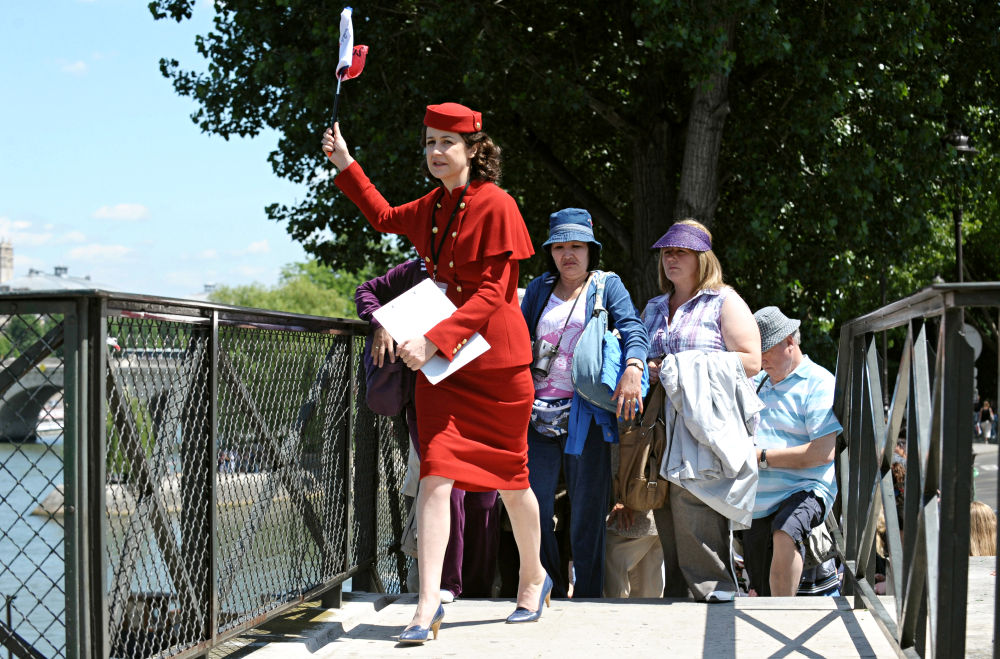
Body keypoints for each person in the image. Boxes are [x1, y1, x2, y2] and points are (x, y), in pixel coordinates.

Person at [323, 102, 550, 643]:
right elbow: (381, 215)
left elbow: (495, 294)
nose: (435, 152)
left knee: (514, 484)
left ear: (474, 149)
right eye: (428, 142)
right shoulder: (431, 205)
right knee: (435, 476)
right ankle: (426, 606)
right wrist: (347, 164)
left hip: (495, 369)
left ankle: (533, 576)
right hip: (445, 370)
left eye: (446, 142)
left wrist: (433, 339)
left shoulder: (498, 204)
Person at [354, 260, 502, 603]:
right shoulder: (416, 269)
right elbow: (366, 291)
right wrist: (382, 322)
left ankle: (477, 591)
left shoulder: (484, 269)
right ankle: (447, 586)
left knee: (484, 499)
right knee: (446, 489)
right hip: (426, 397)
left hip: (478, 394)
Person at [520, 208, 649, 598]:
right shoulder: (540, 289)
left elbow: (633, 328)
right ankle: (548, 588)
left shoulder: (607, 286)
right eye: (559, 247)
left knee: (587, 514)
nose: (567, 255)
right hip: (536, 417)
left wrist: (633, 365)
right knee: (535, 508)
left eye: (576, 246)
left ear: (592, 249)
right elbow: (518, 339)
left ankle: (589, 595)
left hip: (586, 418)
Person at [642, 219, 762, 601]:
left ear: (702, 259)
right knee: (663, 509)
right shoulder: (654, 306)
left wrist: (681, 365)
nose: (670, 259)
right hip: (660, 424)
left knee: (697, 510)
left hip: (704, 426)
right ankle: (679, 601)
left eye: (680, 252)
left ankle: (716, 599)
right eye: (666, 253)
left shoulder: (725, 301)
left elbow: (752, 361)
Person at [742, 306, 842, 597]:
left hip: (804, 488)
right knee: (760, 589)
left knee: (786, 530)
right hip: (758, 501)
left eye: (766, 350)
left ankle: (782, 620)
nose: (760, 360)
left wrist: (761, 457)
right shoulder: (757, 384)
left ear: (790, 341)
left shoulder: (818, 382)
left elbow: (822, 453)